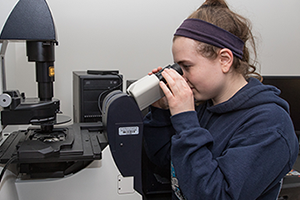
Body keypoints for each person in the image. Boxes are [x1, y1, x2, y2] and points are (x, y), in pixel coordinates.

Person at [143, 0, 299, 199]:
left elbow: (216, 195)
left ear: (225, 60)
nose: (182, 76)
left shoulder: (270, 125)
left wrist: (186, 121)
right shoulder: (204, 105)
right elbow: (168, 164)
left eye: (187, 66)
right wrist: (161, 112)